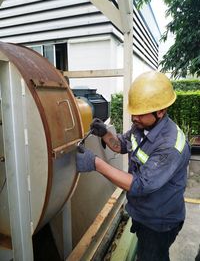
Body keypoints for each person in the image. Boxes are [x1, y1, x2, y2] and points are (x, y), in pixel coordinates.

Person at [76, 71, 191, 261]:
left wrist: (95, 163)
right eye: (133, 112)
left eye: (140, 113)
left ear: (160, 111)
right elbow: (123, 144)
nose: (133, 118)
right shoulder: (142, 127)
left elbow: (140, 184)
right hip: (143, 214)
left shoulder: (170, 146)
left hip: (159, 223)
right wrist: (105, 133)